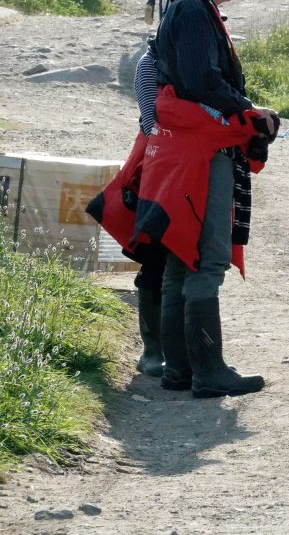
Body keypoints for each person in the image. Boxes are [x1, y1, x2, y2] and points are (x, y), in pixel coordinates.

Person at [139, 0, 278, 398]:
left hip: (181, 151)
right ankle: (208, 370)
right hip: (203, 152)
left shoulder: (177, 9)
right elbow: (202, 81)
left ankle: (179, 368)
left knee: (184, 255)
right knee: (208, 258)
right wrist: (250, 112)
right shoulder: (196, 12)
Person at [86, 46, 169, 379]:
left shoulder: (209, 54)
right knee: (153, 252)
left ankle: (183, 348)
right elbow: (152, 124)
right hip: (156, 162)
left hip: (194, 163)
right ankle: (151, 350)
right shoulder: (152, 62)